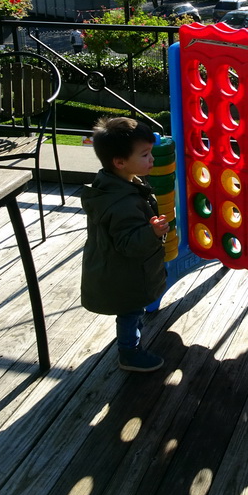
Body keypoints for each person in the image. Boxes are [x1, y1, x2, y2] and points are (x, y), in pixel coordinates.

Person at [81, 117, 170, 371]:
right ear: (120, 162)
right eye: (145, 154)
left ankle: (131, 337)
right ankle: (129, 353)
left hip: (116, 267)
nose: (151, 159)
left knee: (132, 312)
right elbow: (129, 244)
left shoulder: (117, 183)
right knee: (130, 312)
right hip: (125, 274)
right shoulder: (122, 203)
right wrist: (152, 232)